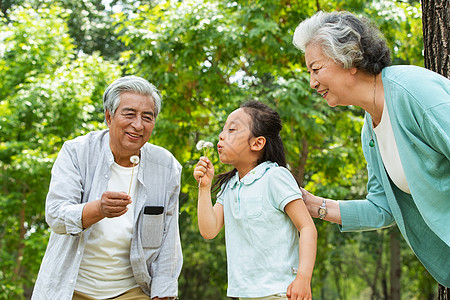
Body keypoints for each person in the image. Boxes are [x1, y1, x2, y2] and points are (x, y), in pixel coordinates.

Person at [292, 11, 450, 287]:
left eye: (316, 69)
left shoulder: (412, 90)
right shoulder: (370, 130)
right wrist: (314, 205)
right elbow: (383, 208)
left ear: (349, 58)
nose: (312, 82)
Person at [32, 76, 182, 299]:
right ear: (108, 117)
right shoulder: (77, 152)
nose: (138, 125)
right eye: (129, 114)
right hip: (72, 287)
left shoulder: (166, 166)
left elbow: (168, 239)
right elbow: (55, 215)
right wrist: (99, 209)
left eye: (147, 117)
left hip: (132, 289)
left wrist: (163, 292)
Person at [193, 101, 317, 300]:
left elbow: (307, 228)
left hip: (280, 292)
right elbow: (209, 230)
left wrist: (303, 278)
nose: (222, 135)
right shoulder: (230, 185)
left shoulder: (275, 177)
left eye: (232, 130)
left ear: (257, 143)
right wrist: (204, 187)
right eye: (223, 129)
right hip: (244, 294)